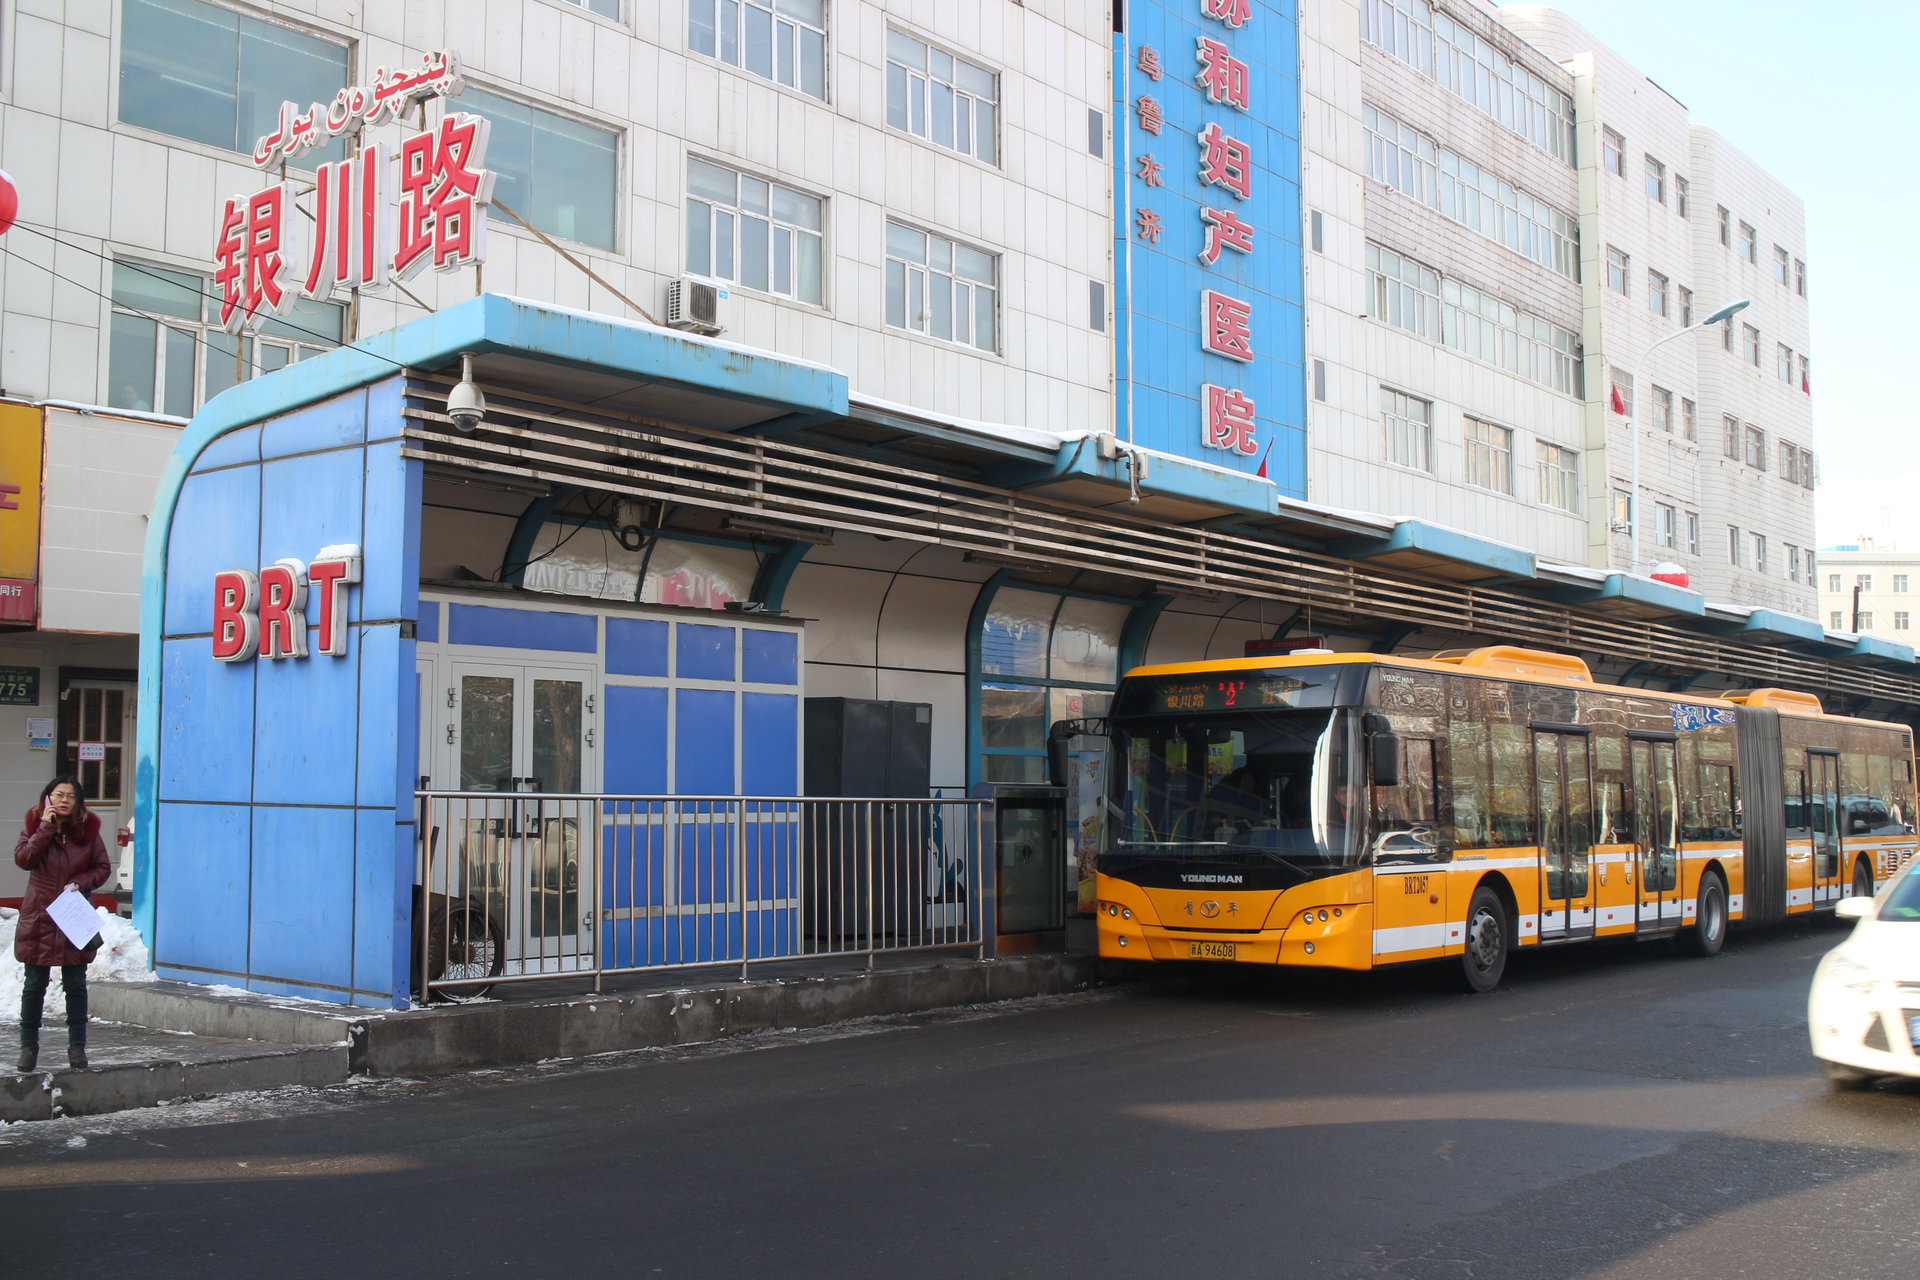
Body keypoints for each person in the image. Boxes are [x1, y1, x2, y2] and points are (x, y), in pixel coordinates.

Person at [14, 775, 111, 1073]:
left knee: (75, 985)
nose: (64, 800)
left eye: (70, 796)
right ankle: (28, 1048)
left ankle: (77, 1047)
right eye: (58, 794)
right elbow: (24, 859)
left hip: (73, 915)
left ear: (78, 801)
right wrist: (45, 827)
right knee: (34, 985)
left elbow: (103, 868)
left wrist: (80, 883)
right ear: (48, 797)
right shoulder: (34, 825)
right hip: (40, 916)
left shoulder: (89, 832)